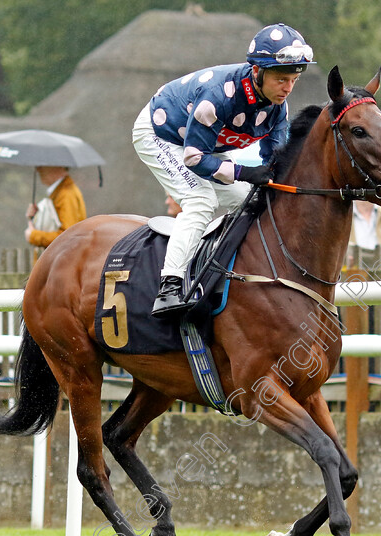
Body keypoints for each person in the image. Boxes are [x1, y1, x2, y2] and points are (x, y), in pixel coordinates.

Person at [132, 23, 314, 316]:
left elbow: (276, 163)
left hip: (203, 146)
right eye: (281, 79)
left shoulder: (279, 108)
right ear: (258, 72)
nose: (288, 88)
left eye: (293, 80)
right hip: (160, 135)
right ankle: (169, 286)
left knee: (250, 198)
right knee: (201, 199)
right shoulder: (218, 98)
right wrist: (242, 171)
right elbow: (193, 159)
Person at [24, 166, 87, 249]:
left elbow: (68, 237)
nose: (38, 169)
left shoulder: (66, 194)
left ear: (58, 166)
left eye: (43, 165)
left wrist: (34, 236)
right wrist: (35, 217)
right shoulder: (59, 192)